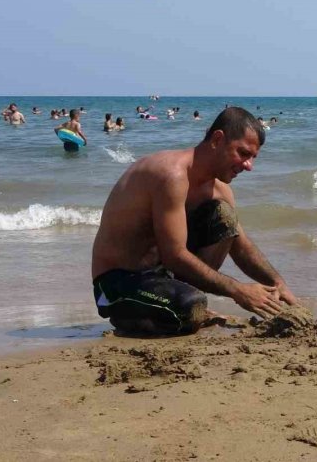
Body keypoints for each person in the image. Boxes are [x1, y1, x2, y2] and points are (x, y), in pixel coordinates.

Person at [90, 107, 299, 336]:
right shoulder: (171, 175)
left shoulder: (220, 190)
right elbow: (174, 255)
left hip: (161, 276)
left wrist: (278, 282)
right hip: (116, 283)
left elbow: (241, 245)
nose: (249, 165)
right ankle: (134, 315)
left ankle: (183, 300)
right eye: (243, 153)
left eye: (253, 157)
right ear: (217, 139)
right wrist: (238, 290)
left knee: (224, 215)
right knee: (189, 309)